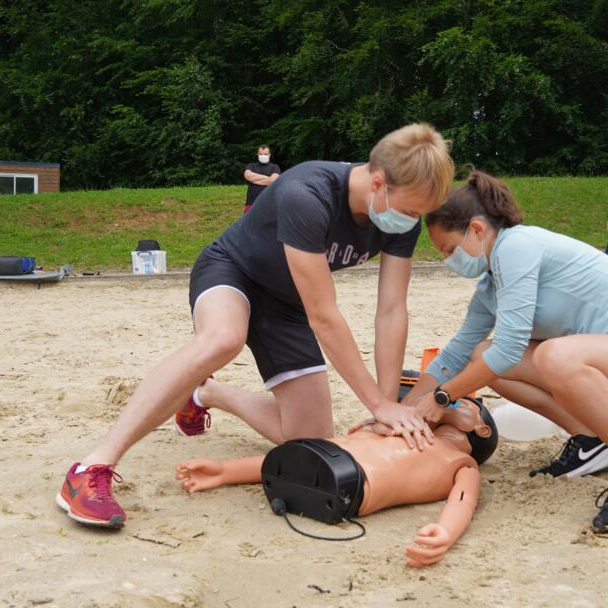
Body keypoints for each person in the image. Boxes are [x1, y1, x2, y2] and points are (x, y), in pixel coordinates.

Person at [57, 123, 455, 528]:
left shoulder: (400, 220)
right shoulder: (308, 194)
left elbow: (391, 310)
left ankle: (205, 393)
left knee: (312, 437)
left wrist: (386, 405)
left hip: (286, 302)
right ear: (378, 183)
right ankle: (91, 468)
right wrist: (377, 405)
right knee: (223, 338)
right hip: (233, 271)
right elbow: (324, 316)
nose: (412, 220)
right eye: (410, 210)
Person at [400, 171, 608, 533]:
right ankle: (592, 441)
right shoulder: (491, 284)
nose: (449, 261)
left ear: (476, 229)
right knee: (482, 354)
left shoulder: (517, 246)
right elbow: (455, 355)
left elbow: (510, 349)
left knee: (550, 356)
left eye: (450, 250)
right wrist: (407, 410)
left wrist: (443, 397)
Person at [173, 403, 496, 568]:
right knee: (309, 457)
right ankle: (239, 473)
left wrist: (445, 532)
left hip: (349, 484)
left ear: (482, 428)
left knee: (317, 463)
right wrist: (224, 471)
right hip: (310, 462)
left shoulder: (460, 463)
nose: (447, 399)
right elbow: (331, 446)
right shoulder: (393, 427)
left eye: (461, 402)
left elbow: (462, 502)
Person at [242, 144, 280, 213]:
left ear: (269, 154)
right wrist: (266, 177)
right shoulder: (251, 166)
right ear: (257, 154)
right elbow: (247, 176)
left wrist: (254, 181)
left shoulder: (274, 167)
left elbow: (273, 180)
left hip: (269, 203)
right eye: (261, 154)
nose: (263, 156)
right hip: (251, 203)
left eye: (265, 154)